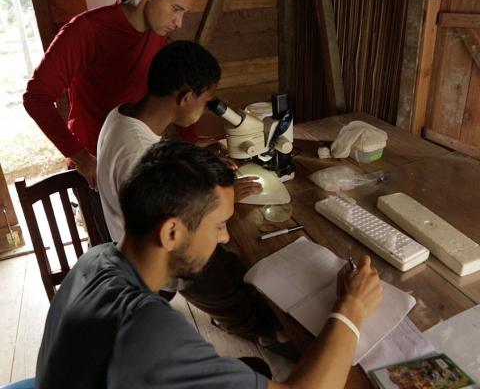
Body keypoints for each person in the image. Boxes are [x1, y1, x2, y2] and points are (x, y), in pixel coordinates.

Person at [36, 140, 383, 389]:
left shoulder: (94, 260)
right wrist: (349, 310)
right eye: (218, 225)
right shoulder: (151, 332)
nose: (225, 238)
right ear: (171, 231)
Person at [97, 40, 271, 343]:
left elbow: (154, 157)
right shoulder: (136, 153)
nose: (205, 110)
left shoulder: (122, 116)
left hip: (138, 238)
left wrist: (193, 153)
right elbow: (177, 227)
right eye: (206, 101)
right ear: (187, 97)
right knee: (239, 299)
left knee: (238, 267)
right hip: (163, 258)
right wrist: (223, 199)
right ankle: (260, 333)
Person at [23, 0, 204, 243]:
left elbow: (172, 90)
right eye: (176, 9)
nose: (178, 23)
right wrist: (81, 158)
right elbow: (36, 97)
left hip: (141, 160)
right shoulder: (86, 31)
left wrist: (193, 148)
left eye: (183, 14)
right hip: (97, 169)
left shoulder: (158, 33)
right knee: (114, 257)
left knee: (156, 248)